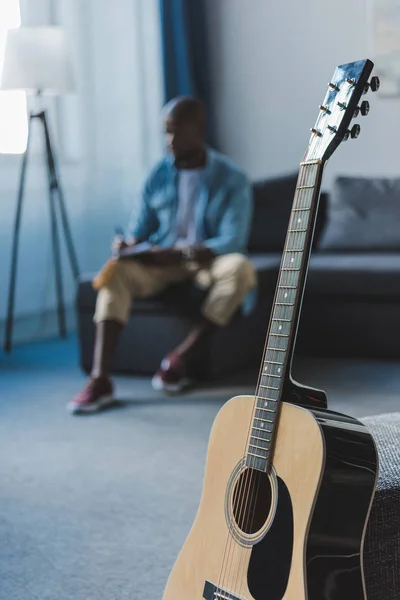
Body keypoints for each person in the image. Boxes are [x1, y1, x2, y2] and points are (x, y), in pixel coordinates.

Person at [68, 97, 256, 414]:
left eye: (178, 133)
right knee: (115, 271)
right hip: (162, 261)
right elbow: (139, 227)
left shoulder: (231, 178)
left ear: (200, 129)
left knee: (240, 269)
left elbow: (233, 240)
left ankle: (179, 359)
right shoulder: (158, 173)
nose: (170, 141)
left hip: (206, 259)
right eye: (166, 133)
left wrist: (181, 253)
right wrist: (128, 245)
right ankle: (100, 379)